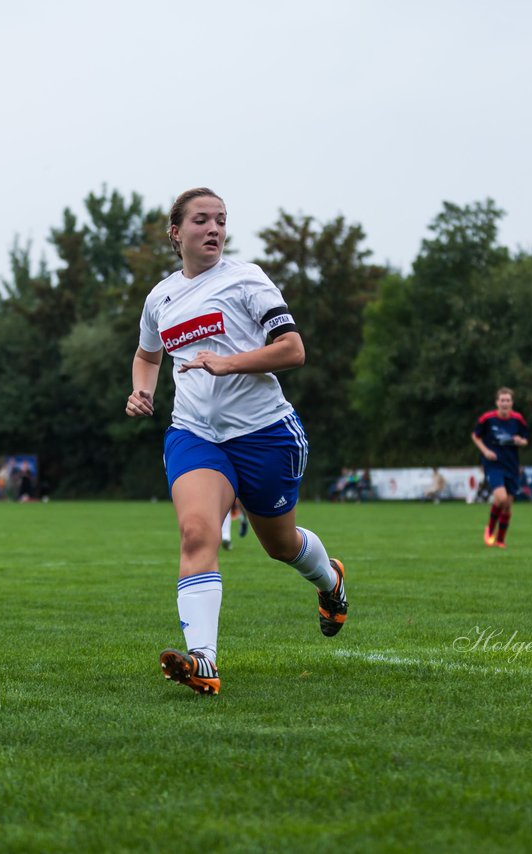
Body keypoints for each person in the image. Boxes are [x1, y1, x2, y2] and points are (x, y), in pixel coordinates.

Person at [125, 187, 348, 696]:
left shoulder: (246, 279)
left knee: (280, 545)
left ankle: (330, 581)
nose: (214, 229)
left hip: (265, 433)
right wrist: (141, 390)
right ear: (176, 233)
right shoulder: (160, 298)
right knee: (197, 532)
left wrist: (229, 362)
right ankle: (203, 660)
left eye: (221, 220)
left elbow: (292, 350)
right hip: (195, 434)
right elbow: (147, 355)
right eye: (201, 220)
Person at [471, 387, 529, 548]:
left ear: (512, 403)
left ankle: (500, 540)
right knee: (501, 498)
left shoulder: (518, 419)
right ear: (497, 402)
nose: (505, 403)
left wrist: (520, 441)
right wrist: (485, 451)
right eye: (502, 400)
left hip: (511, 465)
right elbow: (475, 436)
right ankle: (489, 529)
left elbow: (525, 440)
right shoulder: (487, 418)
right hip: (493, 464)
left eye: (508, 400)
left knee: (508, 505)